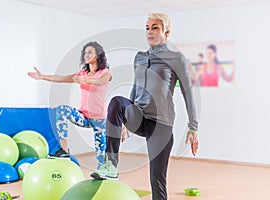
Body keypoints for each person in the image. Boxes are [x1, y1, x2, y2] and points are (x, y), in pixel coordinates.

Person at [91, 13, 199, 200]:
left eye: (155, 27)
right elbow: (136, 87)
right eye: (147, 28)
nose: (150, 32)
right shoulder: (139, 57)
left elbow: (187, 92)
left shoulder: (176, 58)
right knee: (117, 101)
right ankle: (110, 165)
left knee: (157, 179)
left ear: (167, 31)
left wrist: (193, 127)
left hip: (161, 125)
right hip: (140, 117)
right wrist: (123, 119)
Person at [28, 41, 112, 169]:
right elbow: (61, 78)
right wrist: (42, 76)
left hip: (100, 119)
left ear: (98, 55)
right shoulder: (81, 74)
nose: (86, 55)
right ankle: (64, 150)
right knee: (61, 110)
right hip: (83, 116)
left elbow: (101, 81)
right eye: (85, 53)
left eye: (90, 52)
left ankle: (103, 171)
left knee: (101, 157)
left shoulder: (104, 72)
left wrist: (86, 81)